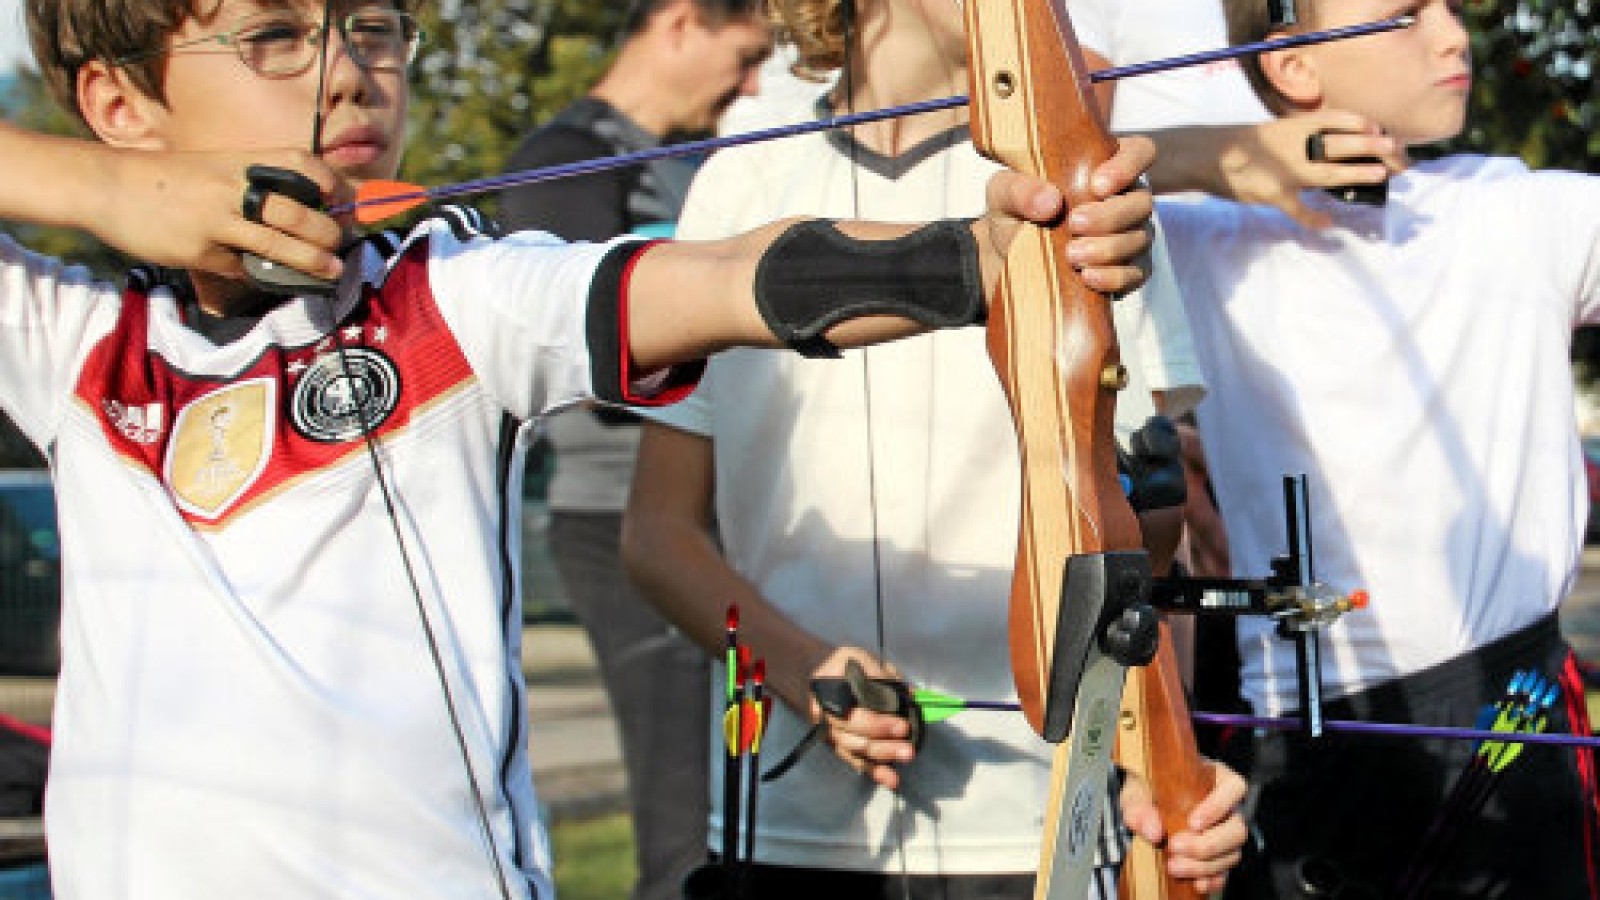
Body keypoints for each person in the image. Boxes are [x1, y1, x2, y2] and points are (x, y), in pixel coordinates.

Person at [6, 0, 1158, 896]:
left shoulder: (451, 300)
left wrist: (983, 253)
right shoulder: (71, 339)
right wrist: (101, 188)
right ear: (118, 101)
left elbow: (718, 281)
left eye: (371, 28)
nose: (349, 70)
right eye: (272, 36)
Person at [621, 1, 1249, 898]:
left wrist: (1169, 772)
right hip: (797, 822)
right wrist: (799, 667)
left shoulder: (1078, 186)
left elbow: (1147, 532)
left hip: (1042, 823)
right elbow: (657, 535)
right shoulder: (741, 182)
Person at [1153, 0, 1600, 896]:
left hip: (1518, 724)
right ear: (1293, 67)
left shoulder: (1515, 212)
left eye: (1446, 7)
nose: (1451, 35)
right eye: (1403, 15)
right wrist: (1234, 157)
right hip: (1312, 753)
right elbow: (1046, 171)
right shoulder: (1199, 238)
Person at [497, 4, 770, 899]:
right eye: (746, 56)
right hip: (623, 520)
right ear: (682, 23)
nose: (753, 84)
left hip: (723, 516)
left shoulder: (701, 162)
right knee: (684, 813)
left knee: (749, 806)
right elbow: (598, 365)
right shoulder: (563, 160)